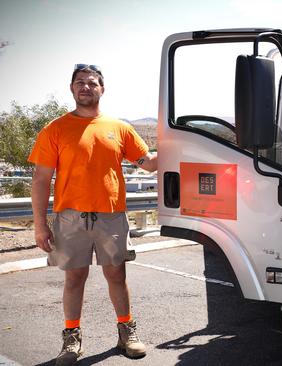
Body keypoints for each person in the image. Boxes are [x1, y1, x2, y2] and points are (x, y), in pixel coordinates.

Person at [29, 64, 157, 365]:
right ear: (72, 89)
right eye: (80, 83)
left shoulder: (119, 128)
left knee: (116, 274)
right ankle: (71, 340)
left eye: (92, 82)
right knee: (74, 278)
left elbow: (148, 162)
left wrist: (183, 144)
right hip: (69, 217)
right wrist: (39, 225)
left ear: (102, 88)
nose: (86, 87)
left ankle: (127, 332)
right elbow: (40, 179)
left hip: (111, 215)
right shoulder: (55, 129)